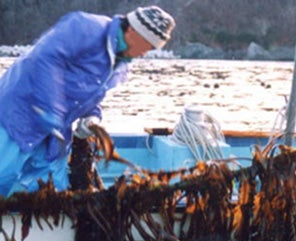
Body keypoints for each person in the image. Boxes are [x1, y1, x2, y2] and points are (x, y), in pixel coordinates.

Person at [0, 5, 175, 197]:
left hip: (55, 132)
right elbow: (45, 59)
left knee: (55, 192)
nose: (146, 52)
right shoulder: (86, 27)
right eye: (148, 44)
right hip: (15, 116)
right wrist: (52, 111)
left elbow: (90, 95)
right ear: (132, 30)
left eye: (153, 48)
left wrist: (91, 118)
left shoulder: (121, 66)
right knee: (3, 174)